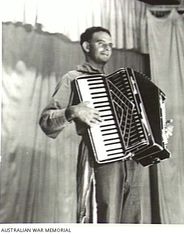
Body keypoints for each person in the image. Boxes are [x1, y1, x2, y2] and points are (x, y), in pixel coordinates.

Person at [39, 27, 153, 223]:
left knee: (132, 220)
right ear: (86, 46)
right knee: (102, 216)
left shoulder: (119, 82)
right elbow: (46, 121)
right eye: (101, 43)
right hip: (98, 157)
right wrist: (72, 111)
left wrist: (154, 134)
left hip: (130, 161)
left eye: (110, 45)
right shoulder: (73, 78)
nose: (107, 48)